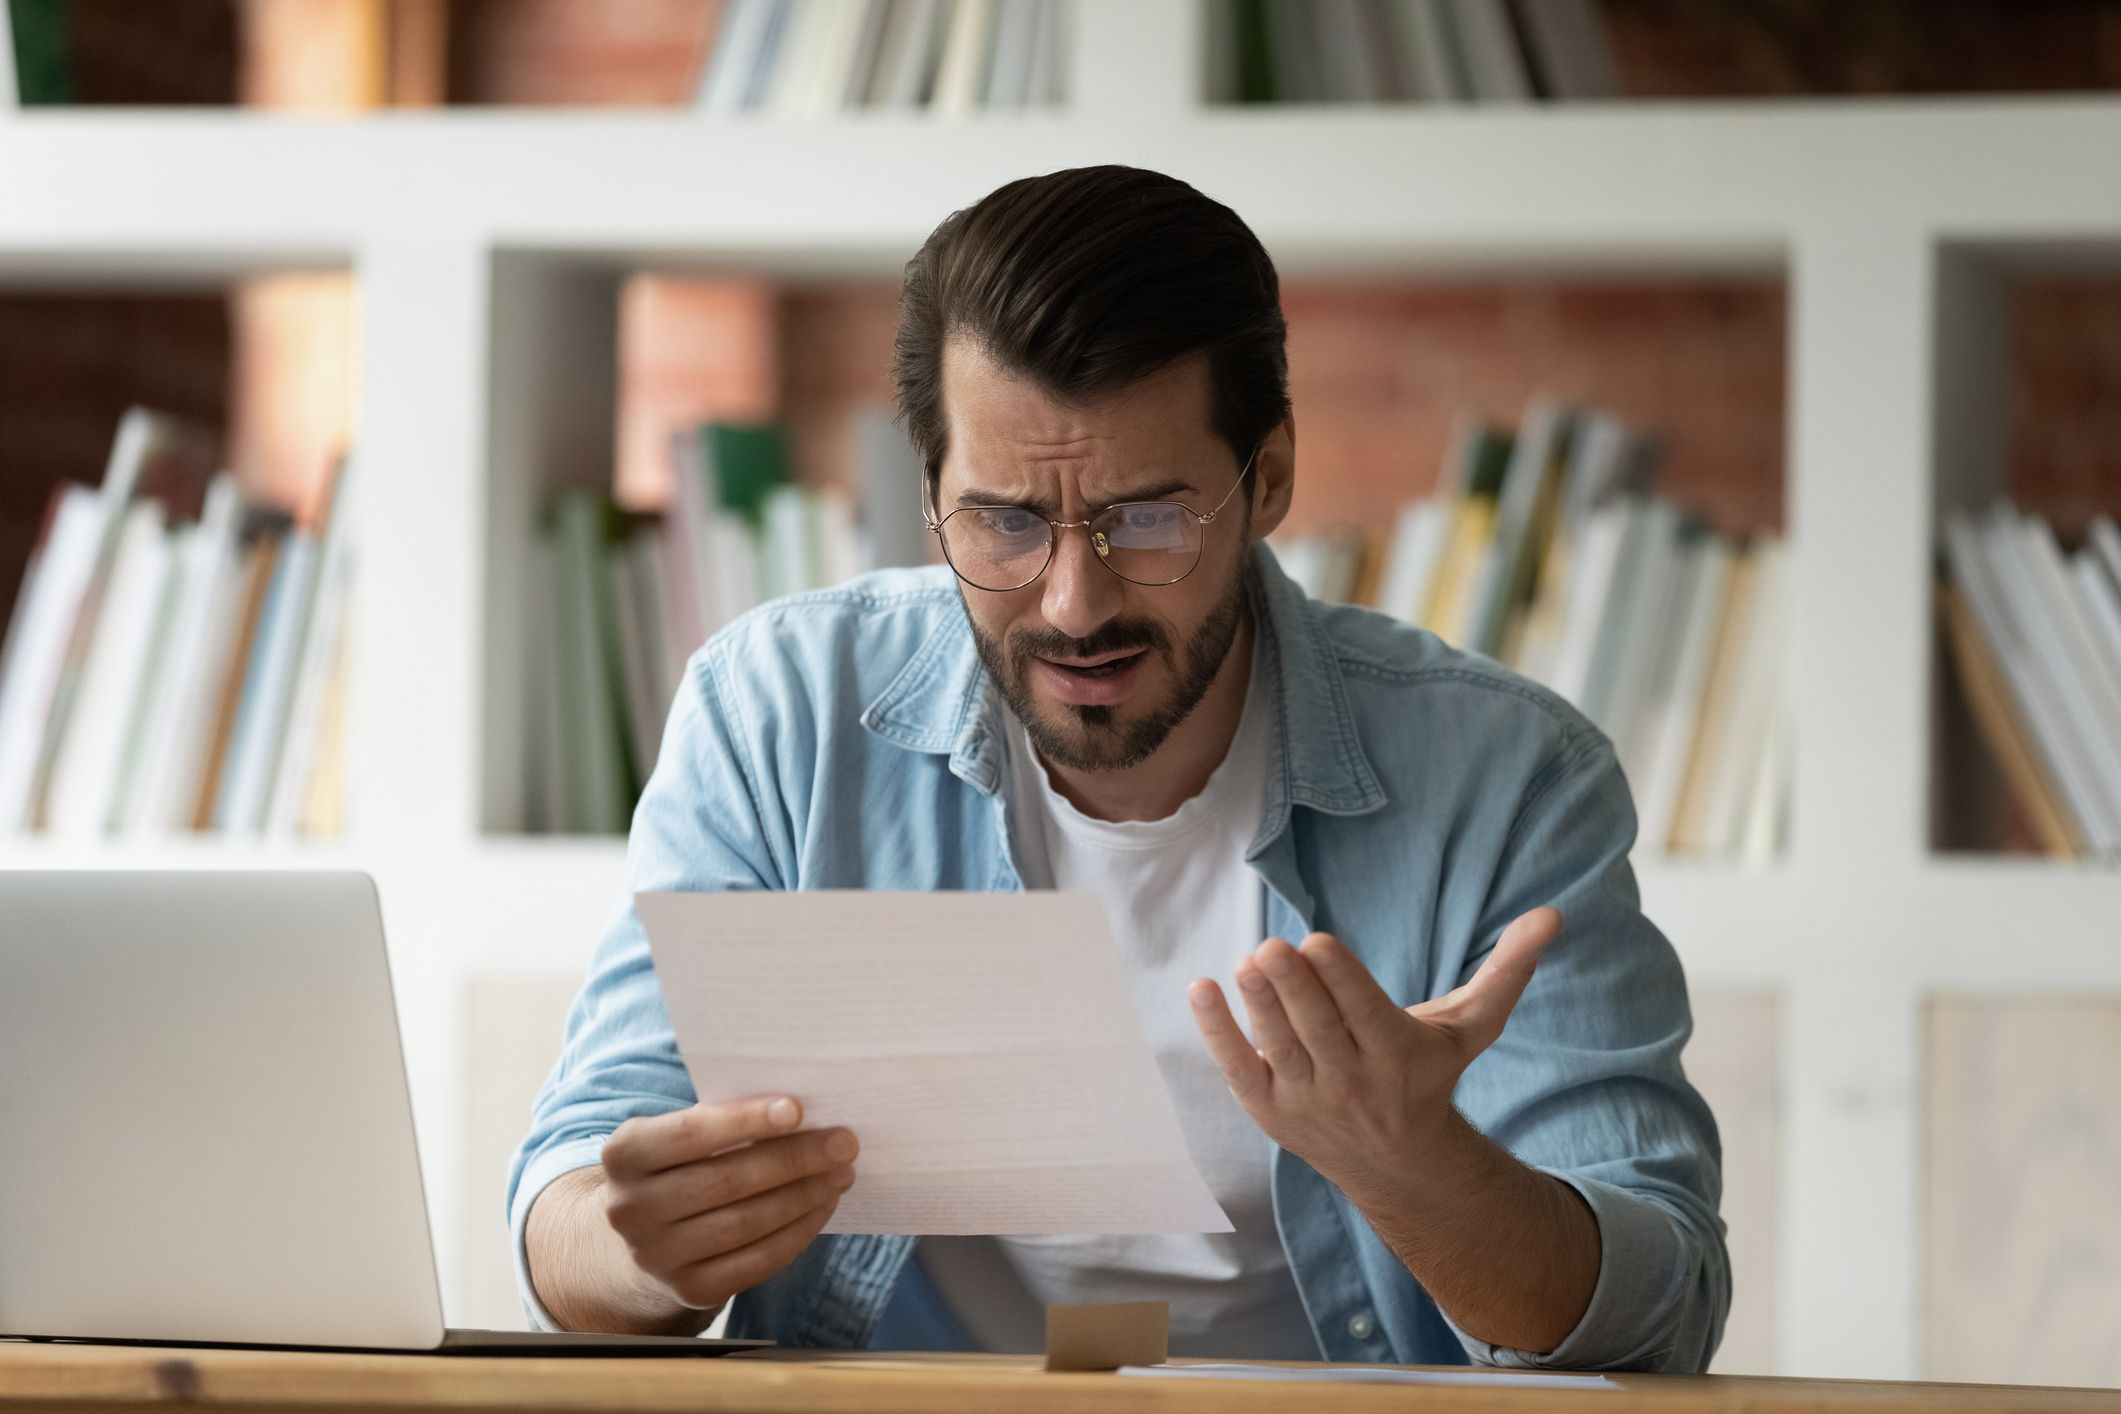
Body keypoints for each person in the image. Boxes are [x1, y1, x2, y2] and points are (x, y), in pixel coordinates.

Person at [507, 164, 1729, 1372]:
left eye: (1147, 516)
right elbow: (567, 1200)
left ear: (1272, 478)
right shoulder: (777, 715)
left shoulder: (1509, 776)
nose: (1075, 604)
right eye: (1004, 521)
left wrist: (1415, 1164)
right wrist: (644, 1254)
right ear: (929, 494)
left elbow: (1661, 1314)